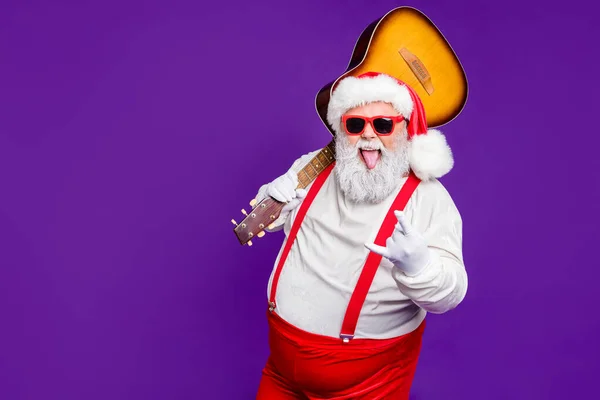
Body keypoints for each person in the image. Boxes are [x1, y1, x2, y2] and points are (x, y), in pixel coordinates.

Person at [253, 71, 468, 399]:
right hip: (281, 371)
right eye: (355, 125)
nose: (369, 136)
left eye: (383, 125)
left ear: (404, 128)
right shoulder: (314, 166)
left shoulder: (428, 198)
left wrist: (421, 267)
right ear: (341, 130)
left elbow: (450, 294)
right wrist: (274, 198)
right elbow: (270, 215)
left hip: (368, 384)